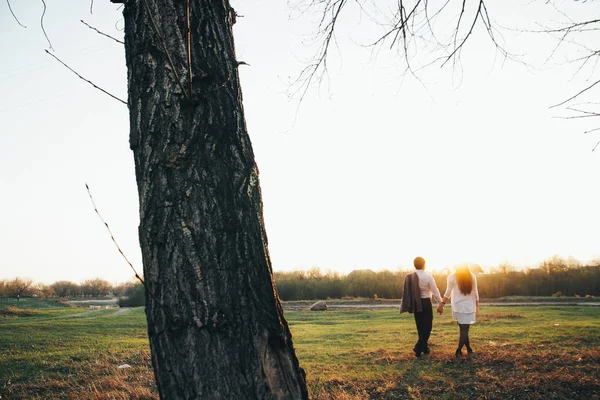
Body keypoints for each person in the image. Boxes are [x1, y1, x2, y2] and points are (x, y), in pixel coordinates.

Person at [400, 256, 443, 358]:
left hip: (416, 303)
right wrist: (440, 303)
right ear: (424, 265)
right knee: (427, 327)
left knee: (420, 326)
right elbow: (435, 291)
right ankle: (418, 347)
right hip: (426, 303)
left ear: (414, 265)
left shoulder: (410, 277)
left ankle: (424, 348)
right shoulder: (428, 277)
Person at [438, 264, 479, 357]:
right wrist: (477, 305)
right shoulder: (472, 276)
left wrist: (442, 304)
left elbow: (448, 292)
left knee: (463, 329)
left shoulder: (452, 277)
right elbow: (475, 291)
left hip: (458, 306)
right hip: (469, 306)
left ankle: (467, 349)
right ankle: (460, 350)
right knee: (465, 329)